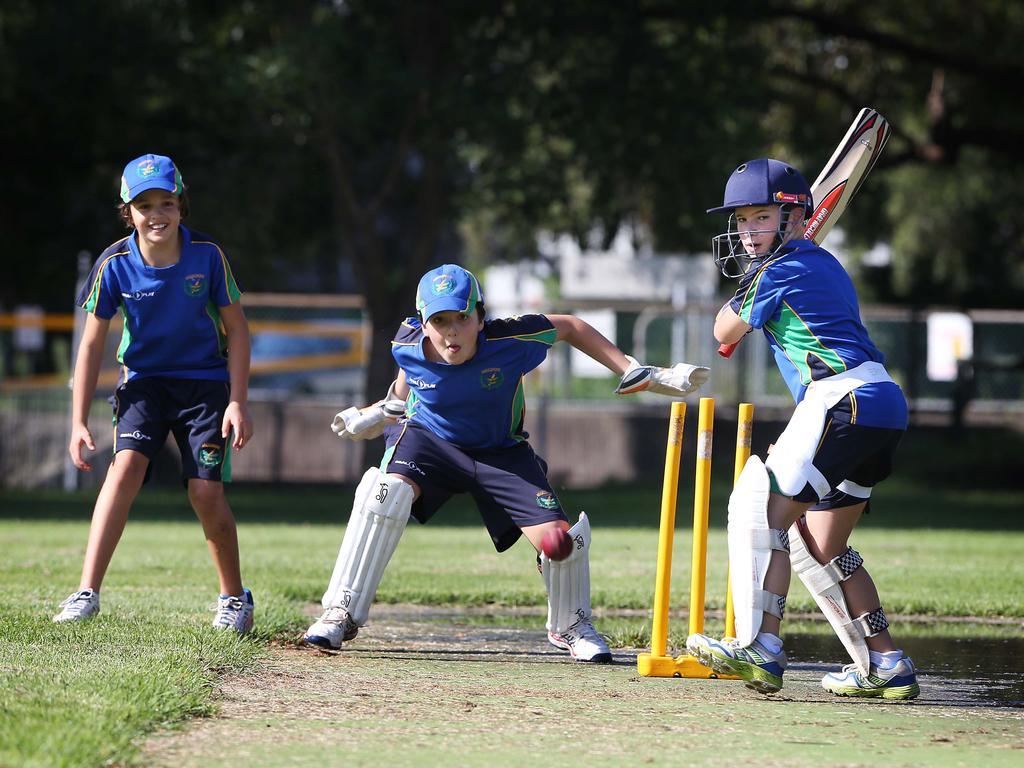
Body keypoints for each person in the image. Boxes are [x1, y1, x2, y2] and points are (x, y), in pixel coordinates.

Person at [303, 263, 710, 662]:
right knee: (384, 494)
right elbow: (404, 382)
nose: (451, 332)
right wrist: (379, 412)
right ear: (423, 323)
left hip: (502, 450)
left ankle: (570, 624)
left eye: (461, 318)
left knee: (562, 543)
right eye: (439, 320)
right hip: (430, 441)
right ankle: (341, 610)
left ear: (481, 317)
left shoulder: (511, 340)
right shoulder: (407, 341)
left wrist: (633, 369)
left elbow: (571, 326)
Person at [686, 158, 919, 699]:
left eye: (760, 218)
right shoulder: (823, 263)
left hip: (840, 399)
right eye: (741, 221)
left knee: (763, 513)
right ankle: (887, 661)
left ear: (792, 217)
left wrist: (750, 289)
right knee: (823, 541)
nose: (746, 232)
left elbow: (722, 328)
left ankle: (763, 646)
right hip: (882, 404)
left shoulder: (780, 269)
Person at [53, 154, 256, 633]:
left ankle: (234, 598)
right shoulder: (115, 263)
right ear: (128, 212)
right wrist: (77, 420)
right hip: (142, 382)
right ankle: (86, 592)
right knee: (124, 469)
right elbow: (91, 343)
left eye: (167, 202)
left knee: (205, 492)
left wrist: (238, 400)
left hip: (205, 384)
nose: (157, 214)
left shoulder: (208, 255)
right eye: (144, 205)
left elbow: (239, 331)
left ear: (182, 206)